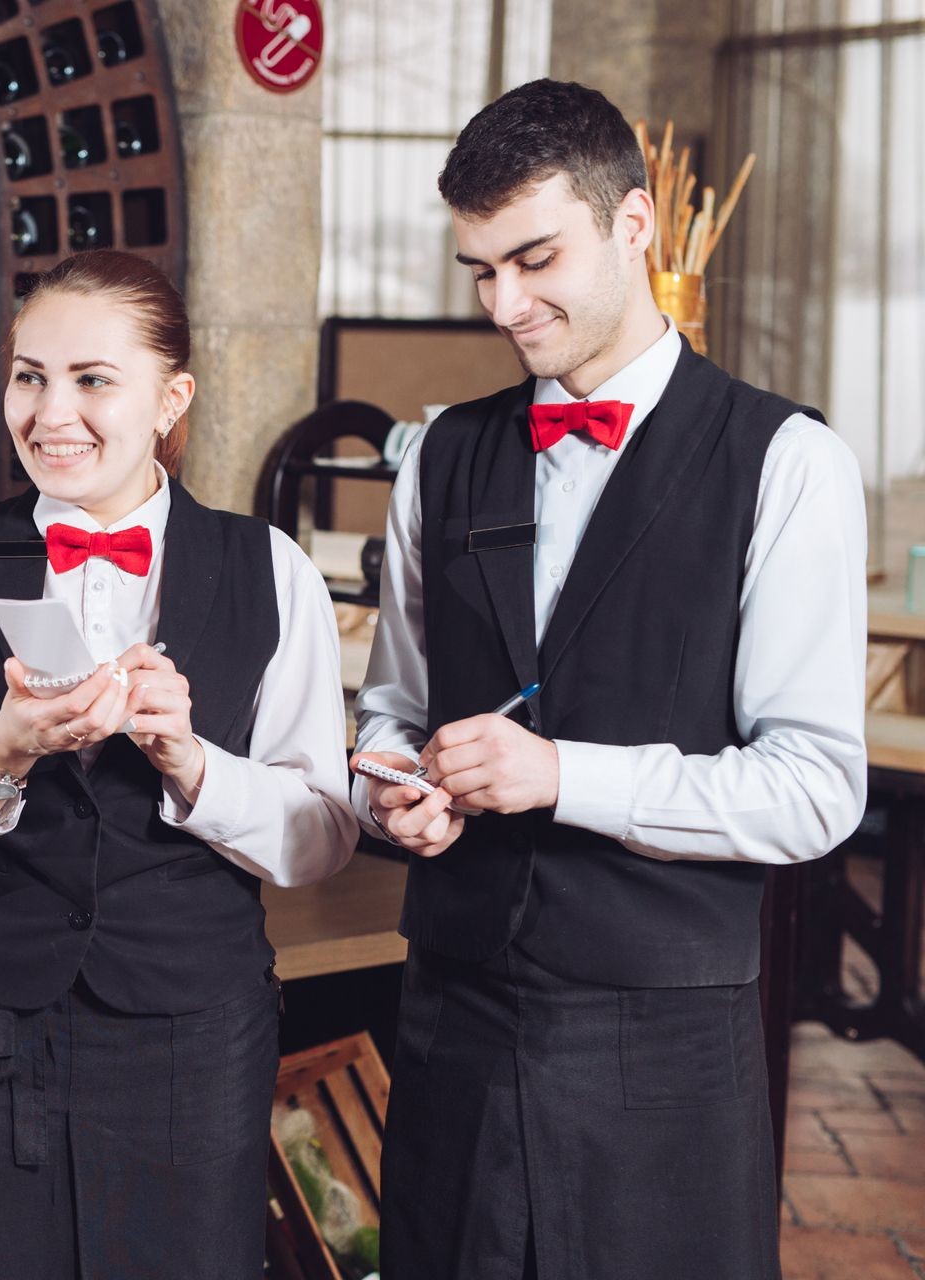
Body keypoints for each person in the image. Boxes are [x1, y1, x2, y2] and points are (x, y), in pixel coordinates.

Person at [351, 79, 868, 1280]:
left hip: (665, 1039)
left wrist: (558, 776)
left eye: (535, 259)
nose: (505, 304)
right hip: (453, 1019)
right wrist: (390, 788)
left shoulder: (789, 462)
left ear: (636, 223)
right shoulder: (440, 455)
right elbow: (394, 707)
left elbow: (814, 789)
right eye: (480, 269)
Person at [0, 248, 358, 1278]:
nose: (51, 413)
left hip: (191, 1041)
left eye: (92, 380)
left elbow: (322, 836)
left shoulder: (272, 570)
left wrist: (190, 760)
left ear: (173, 396)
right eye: (30, 376)